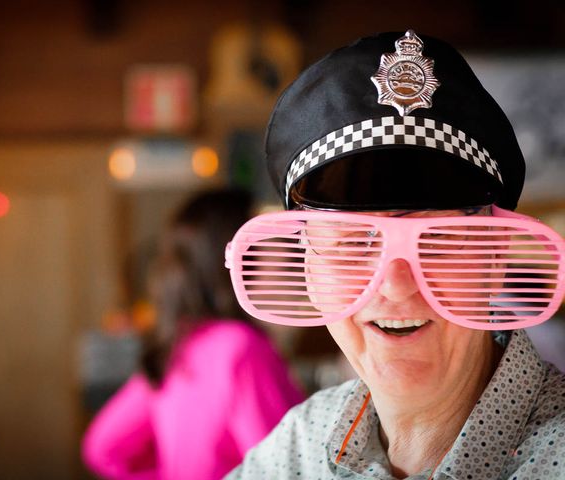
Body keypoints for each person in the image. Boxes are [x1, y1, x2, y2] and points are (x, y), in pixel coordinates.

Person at [224, 30, 565, 479]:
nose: (396, 284)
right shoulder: (297, 448)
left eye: (439, 237)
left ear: (496, 252)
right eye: (351, 239)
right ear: (308, 266)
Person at [81, 188, 304, 480]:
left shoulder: (179, 344)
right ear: (233, 257)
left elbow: (103, 449)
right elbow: (289, 469)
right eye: (269, 239)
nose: (290, 251)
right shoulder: (242, 347)